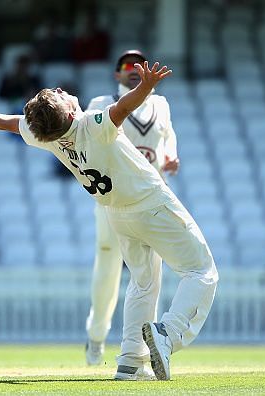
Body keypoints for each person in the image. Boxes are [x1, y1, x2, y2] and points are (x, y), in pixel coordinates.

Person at [0, 60, 218, 381]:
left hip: (118, 215)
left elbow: (5, 122)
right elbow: (122, 107)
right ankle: (169, 334)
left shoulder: (48, 136)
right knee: (202, 271)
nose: (62, 90)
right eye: (59, 94)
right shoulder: (91, 124)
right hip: (150, 204)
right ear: (69, 113)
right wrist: (146, 87)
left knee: (143, 283)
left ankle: (131, 361)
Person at [83, 50, 180, 366]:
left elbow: (168, 138)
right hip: (112, 197)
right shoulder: (101, 102)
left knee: (150, 272)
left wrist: (169, 157)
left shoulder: (161, 104)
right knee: (108, 266)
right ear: (117, 74)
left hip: (150, 195)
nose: (134, 69)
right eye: (126, 66)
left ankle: (140, 345)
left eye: (139, 64)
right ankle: (97, 337)